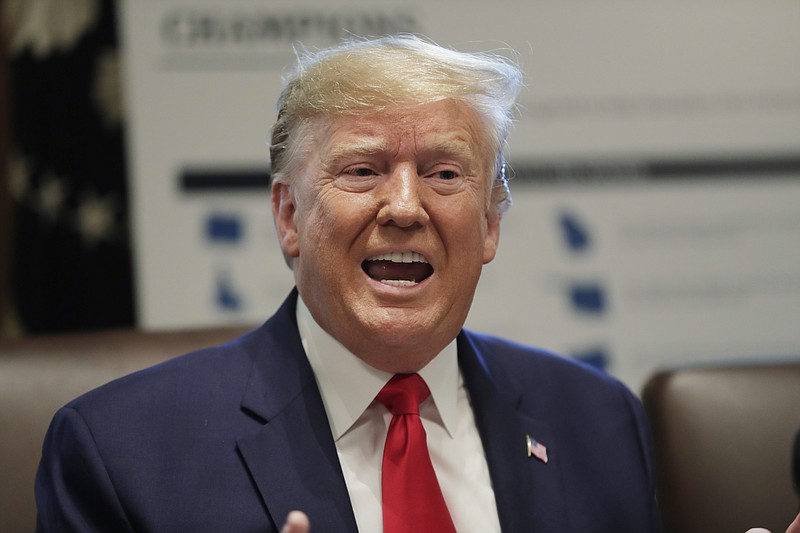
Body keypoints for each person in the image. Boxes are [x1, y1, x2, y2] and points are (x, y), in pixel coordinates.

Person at [35, 35, 663, 532]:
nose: (406, 207)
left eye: (444, 174)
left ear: (491, 223)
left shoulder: (599, 422)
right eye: (363, 171)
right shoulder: (121, 452)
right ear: (289, 217)